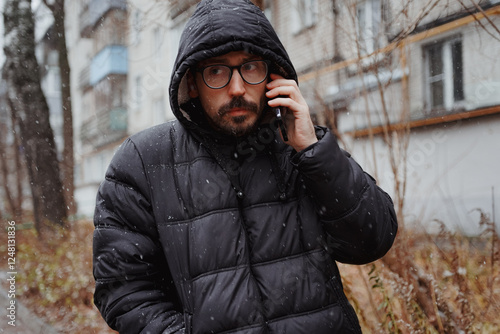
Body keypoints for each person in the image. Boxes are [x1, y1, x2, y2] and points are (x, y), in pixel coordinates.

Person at [92, 0, 398, 333]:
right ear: (191, 83)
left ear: (274, 74)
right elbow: (123, 289)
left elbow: (372, 240)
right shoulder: (143, 162)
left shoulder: (300, 148)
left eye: (251, 67)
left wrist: (313, 152)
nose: (237, 89)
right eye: (217, 71)